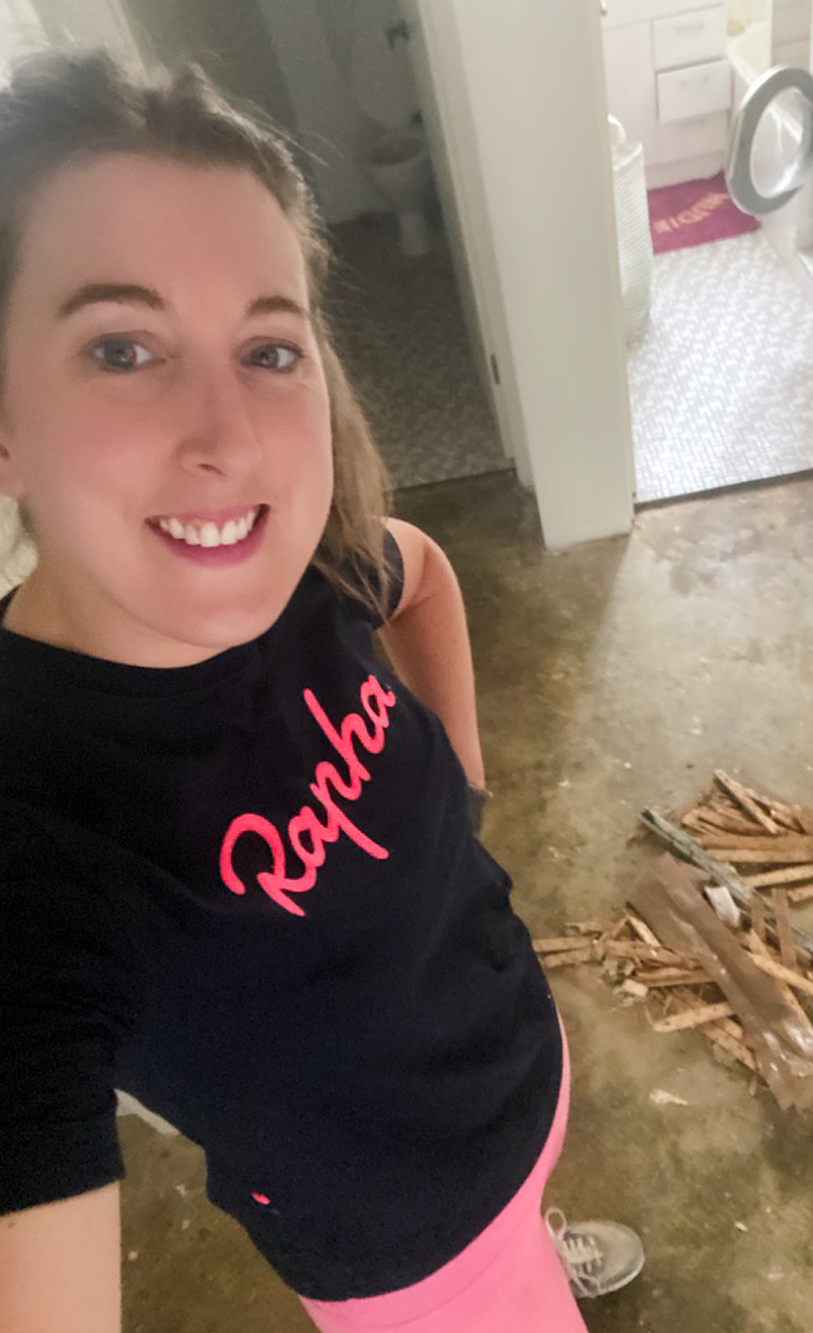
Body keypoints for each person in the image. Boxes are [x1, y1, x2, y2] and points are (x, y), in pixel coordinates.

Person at [0, 48, 644, 1333]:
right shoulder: (31, 851)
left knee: (523, 1221)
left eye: (269, 348)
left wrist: (460, 789)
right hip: (418, 1257)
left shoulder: (299, 569)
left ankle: (534, 1236)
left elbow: (425, 577)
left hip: (516, 1083)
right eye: (123, 347)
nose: (230, 438)